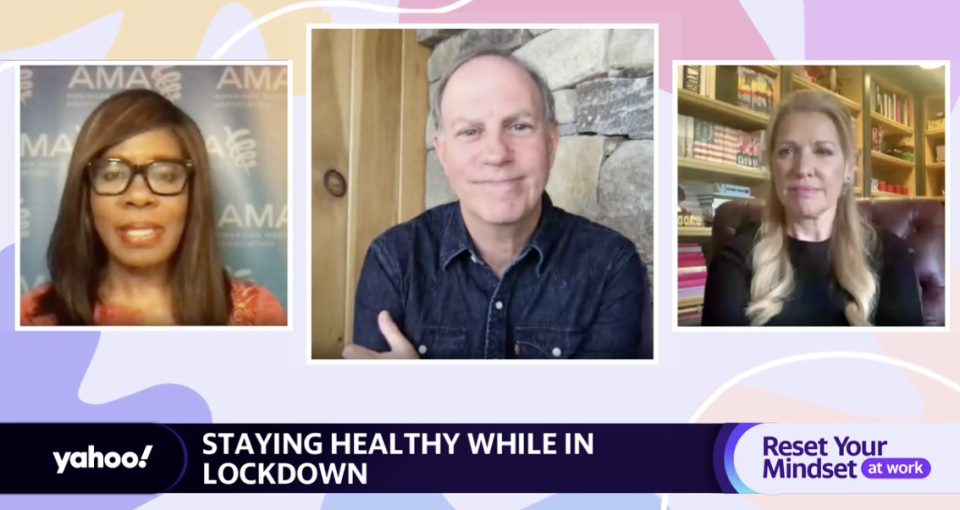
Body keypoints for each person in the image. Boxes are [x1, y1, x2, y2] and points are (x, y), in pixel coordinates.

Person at [343, 46, 652, 359]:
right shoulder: (394, 261)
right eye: (470, 131)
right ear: (443, 154)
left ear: (551, 142)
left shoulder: (612, 266)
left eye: (518, 126)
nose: (497, 154)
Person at [20, 89, 287, 326]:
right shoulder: (29, 320)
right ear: (86, 196)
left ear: (193, 195)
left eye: (166, 175)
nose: (138, 196)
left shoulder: (256, 316)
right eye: (112, 175)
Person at [700, 90, 923, 327]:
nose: (803, 168)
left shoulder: (890, 255)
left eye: (823, 151)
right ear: (772, 166)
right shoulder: (735, 259)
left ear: (849, 166)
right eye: (787, 151)